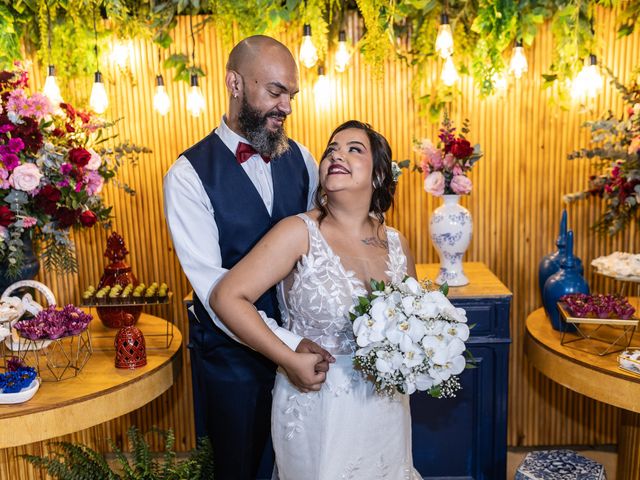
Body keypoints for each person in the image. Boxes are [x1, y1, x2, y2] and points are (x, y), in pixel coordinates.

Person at [163, 35, 334, 479]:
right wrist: (287, 349)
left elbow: (325, 249)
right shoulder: (187, 176)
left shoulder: (303, 159)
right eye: (275, 91)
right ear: (234, 83)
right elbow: (216, 290)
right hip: (233, 363)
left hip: (306, 348)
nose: (287, 107)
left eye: (291, 95)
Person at [212, 120, 423, 479]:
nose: (337, 154)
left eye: (354, 149)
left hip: (386, 411)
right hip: (317, 404)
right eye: (331, 150)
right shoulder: (297, 232)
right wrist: (286, 357)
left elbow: (413, 328)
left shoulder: (398, 244)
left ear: (378, 175)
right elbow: (227, 297)